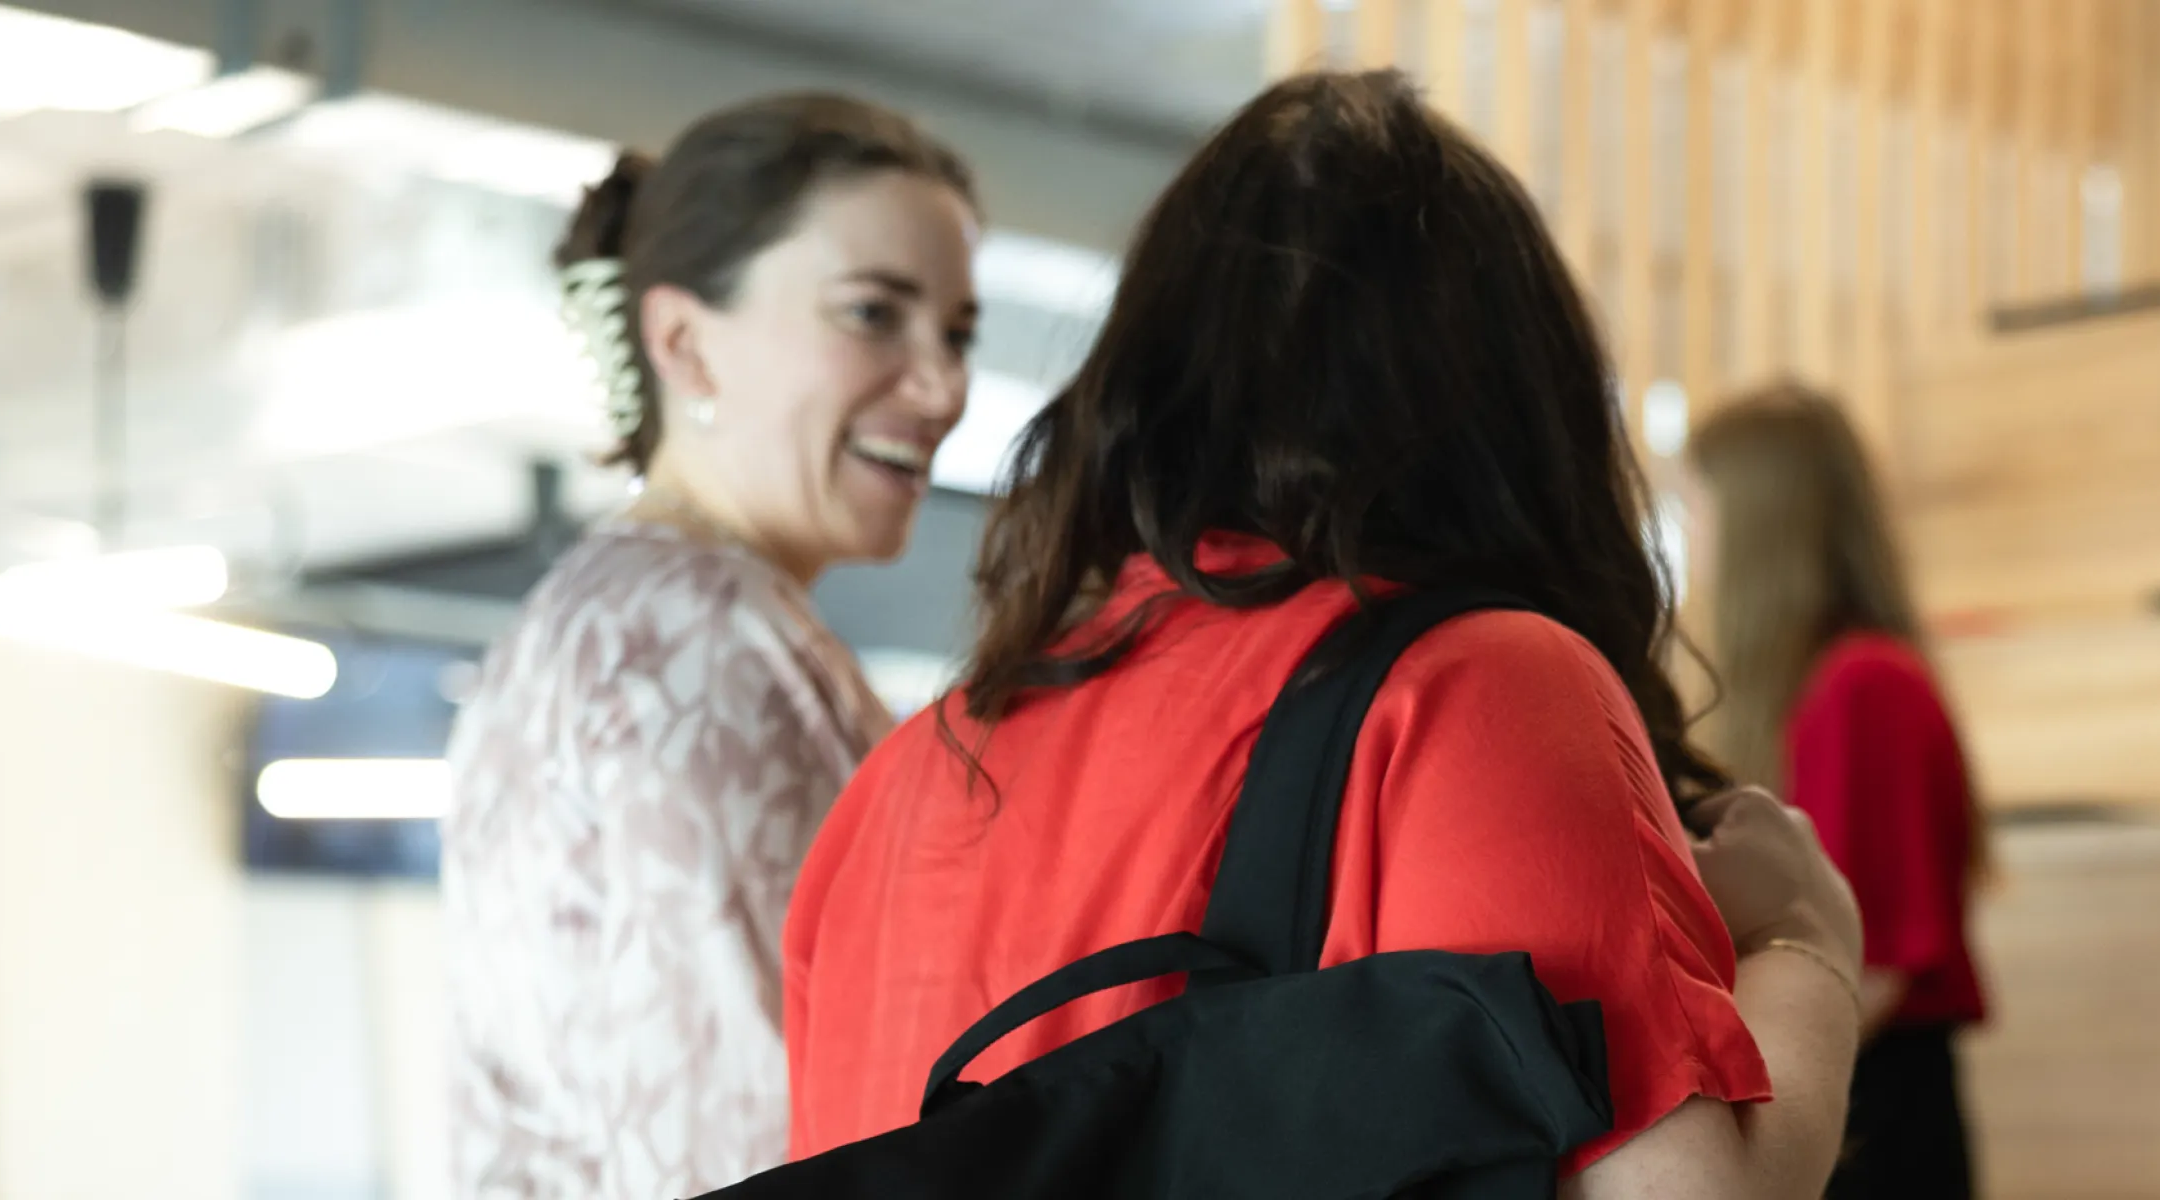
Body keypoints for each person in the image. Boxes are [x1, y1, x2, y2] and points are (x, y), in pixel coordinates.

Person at [779, 70, 1869, 1198]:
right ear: (1523, 409)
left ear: (1137, 389)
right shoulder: (1479, 690)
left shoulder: (891, 791)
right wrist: (1807, 944)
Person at [440, 93, 980, 1199]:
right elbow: (759, 1140)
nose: (944, 387)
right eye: (873, 314)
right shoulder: (699, 646)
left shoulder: (595, 623)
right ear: (685, 344)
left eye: (958, 333)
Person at [1681, 385, 1994, 1200]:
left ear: (1761, 517)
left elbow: (1873, 966)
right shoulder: (1828, 685)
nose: (1688, 528)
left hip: (1871, 1108)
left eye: (1698, 501)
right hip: (1846, 1083)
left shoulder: (1863, 686)